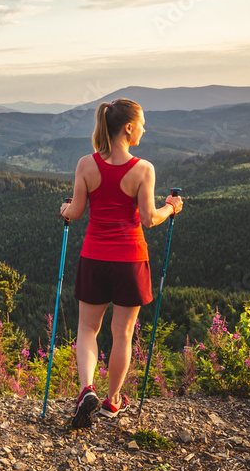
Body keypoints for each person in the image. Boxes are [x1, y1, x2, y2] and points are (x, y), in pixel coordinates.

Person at [59, 98, 183, 429]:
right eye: (142, 123)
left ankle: (87, 389)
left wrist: (64, 210)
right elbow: (149, 218)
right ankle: (113, 402)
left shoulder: (86, 164)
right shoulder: (143, 169)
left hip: (94, 258)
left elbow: (76, 212)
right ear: (128, 128)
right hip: (130, 260)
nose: (144, 128)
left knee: (87, 329)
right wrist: (171, 207)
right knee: (122, 334)